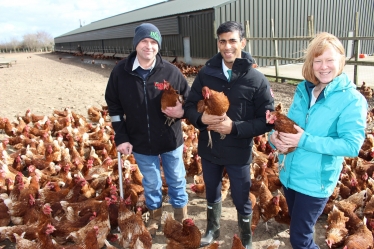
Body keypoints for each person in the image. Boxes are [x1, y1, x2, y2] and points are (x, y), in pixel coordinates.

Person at [269, 32, 367, 248]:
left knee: (300, 239)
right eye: (318, 60)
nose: (324, 67)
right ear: (311, 63)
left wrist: (304, 140)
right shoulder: (303, 90)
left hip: (315, 183)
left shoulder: (352, 100)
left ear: (341, 60)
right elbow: (289, 125)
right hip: (289, 175)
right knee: (298, 230)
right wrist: (274, 138)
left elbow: (351, 146)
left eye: (330, 60)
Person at [184, 21, 274, 248]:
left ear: (242, 42)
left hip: (239, 151)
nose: (227, 46)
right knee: (212, 193)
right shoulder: (206, 73)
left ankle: (246, 236)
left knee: (242, 197)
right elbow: (189, 106)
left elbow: (267, 119)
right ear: (218, 43)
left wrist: (235, 127)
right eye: (223, 41)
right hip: (210, 149)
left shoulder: (256, 79)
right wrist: (200, 119)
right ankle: (212, 229)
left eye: (233, 40)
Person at [105, 23, 190, 236]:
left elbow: (190, 99)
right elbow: (114, 107)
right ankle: (155, 217)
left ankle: (181, 217)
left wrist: (182, 111)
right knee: (151, 182)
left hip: (170, 139)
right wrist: (121, 137)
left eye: (153, 42)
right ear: (136, 44)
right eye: (144, 41)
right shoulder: (120, 73)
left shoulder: (171, 72)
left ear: (158, 46)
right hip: (140, 141)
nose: (149, 46)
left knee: (177, 179)